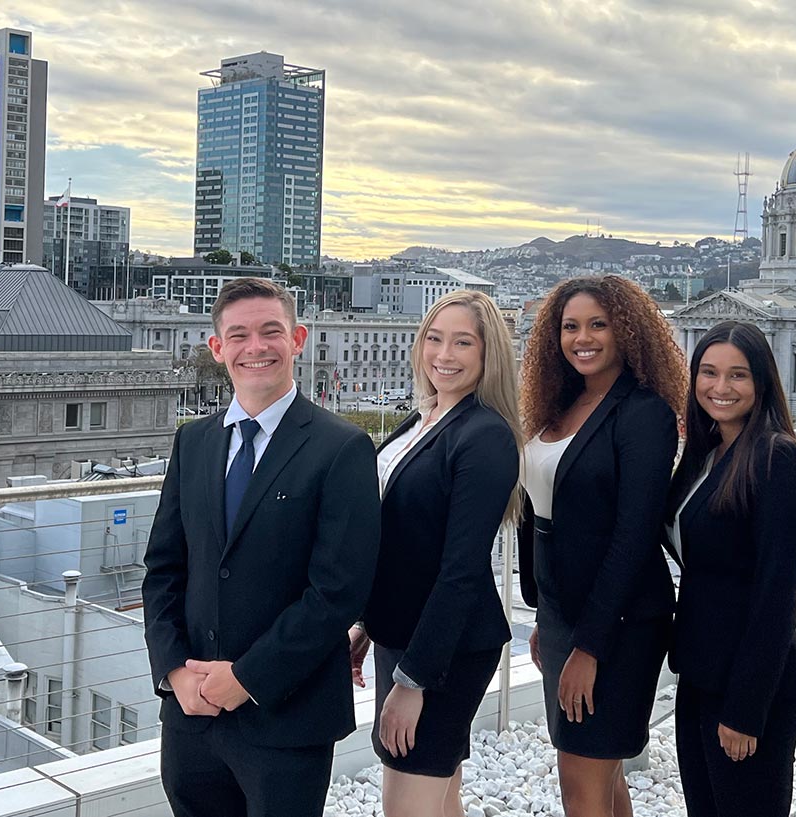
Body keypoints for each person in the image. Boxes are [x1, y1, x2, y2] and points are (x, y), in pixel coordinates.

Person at [142, 277, 381, 817]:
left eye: (271, 332)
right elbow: (163, 569)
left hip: (285, 719)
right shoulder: (194, 441)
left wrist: (247, 679)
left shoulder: (342, 447)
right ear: (217, 348)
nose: (256, 347)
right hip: (191, 716)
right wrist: (175, 670)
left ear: (297, 339)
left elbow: (337, 592)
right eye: (239, 335)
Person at [518, 276, 687, 817]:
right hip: (565, 614)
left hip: (617, 626)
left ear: (627, 332)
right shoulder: (561, 406)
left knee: (581, 774)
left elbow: (632, 537)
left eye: (598, 324)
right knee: (600, 773)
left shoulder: (644, 414)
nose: (582, 338)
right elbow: (547, 513)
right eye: (570, 326)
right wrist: (549, 616)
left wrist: (589, 647)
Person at [350, 291, 521, 817]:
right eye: (434, 338)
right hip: (406, 637)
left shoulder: (484, 434)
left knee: (407, 804)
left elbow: (461, 569)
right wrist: (368, 625)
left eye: (463, 342)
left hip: (443, 652)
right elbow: (407, 545)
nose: (444, 353)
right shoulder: (427, 417)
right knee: (439, 800)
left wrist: (413, 680)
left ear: (488, 353)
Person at [663, 320, 796, 817]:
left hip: (753, 688)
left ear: (762, 383)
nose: (720, 388)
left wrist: (746, 709)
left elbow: (777, 594)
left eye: (738, 376)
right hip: (701, 672)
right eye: (708, 373)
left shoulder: (776, 458)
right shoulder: (707, 455)